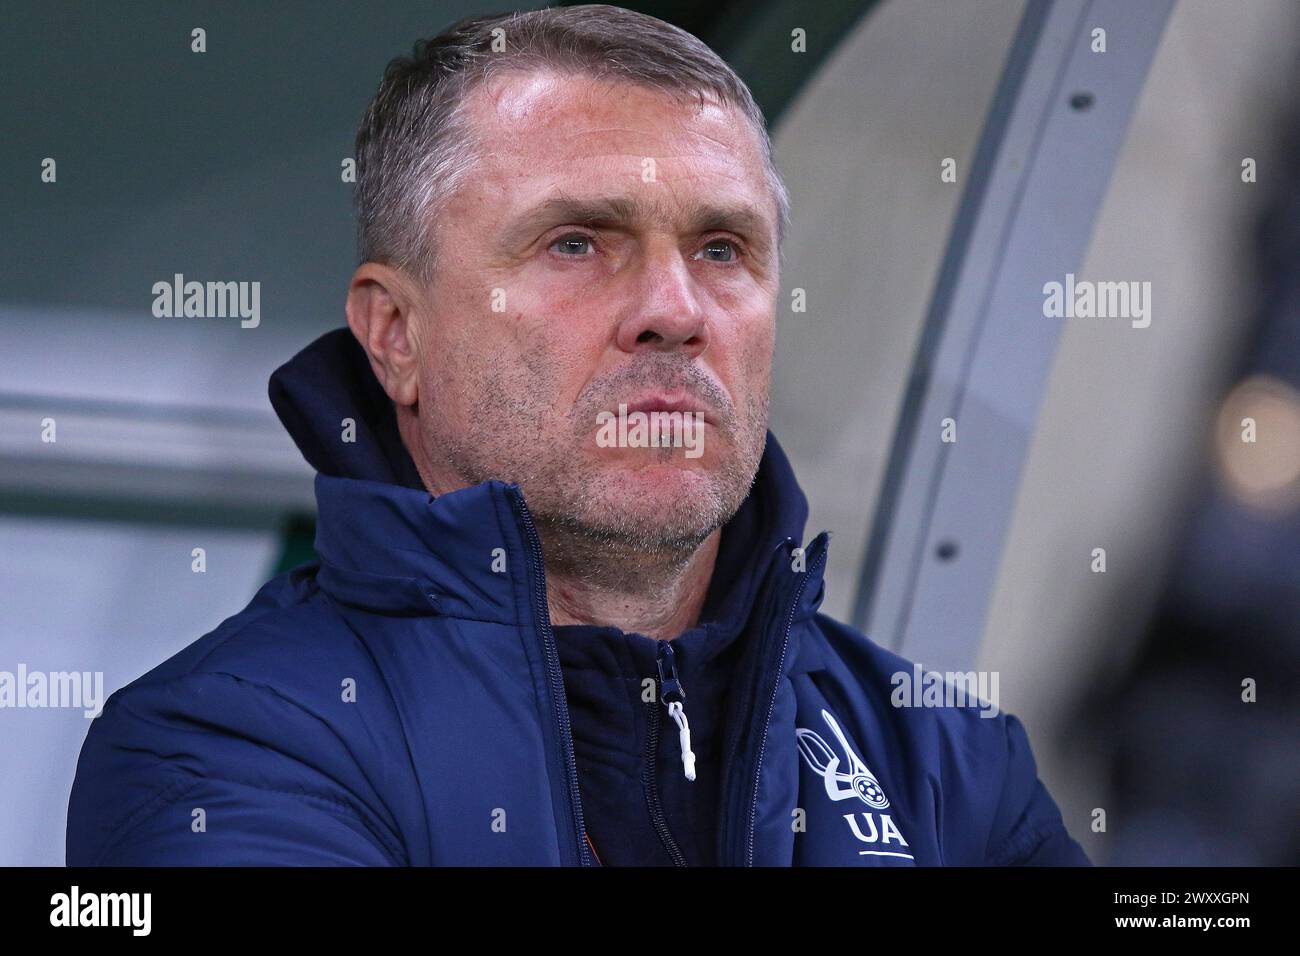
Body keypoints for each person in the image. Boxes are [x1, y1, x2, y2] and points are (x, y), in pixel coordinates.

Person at [66, 4, 1090, 866]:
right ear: (395, 334)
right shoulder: (222, 744)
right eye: (576, 241)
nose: (672, 308)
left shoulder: (951, 764)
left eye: (722, 247)